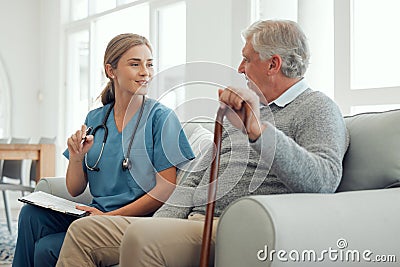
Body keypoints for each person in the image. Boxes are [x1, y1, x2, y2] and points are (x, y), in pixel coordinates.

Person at [56, 20, 349, 267]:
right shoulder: (249, 109)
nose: (240, 68)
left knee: (140, 238)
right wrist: (160, 220)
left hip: (231, 224)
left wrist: (260, 132)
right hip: (190, 220)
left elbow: (323, 181)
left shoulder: (317, 108)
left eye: (247, 59)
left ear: (273, 64)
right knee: (85, 231)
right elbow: (199, 173)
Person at [12, 33, 194, 267]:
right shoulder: (96, 118)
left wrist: (108, 218)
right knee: (31, 216)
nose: (145, 72)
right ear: (111, 70)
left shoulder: (161, 118)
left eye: (149, 64)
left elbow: (166, 189)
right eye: (135, 64)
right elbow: (75, 189)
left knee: (46, 249)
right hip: (95, 215)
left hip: (133, 220)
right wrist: (76, 158)